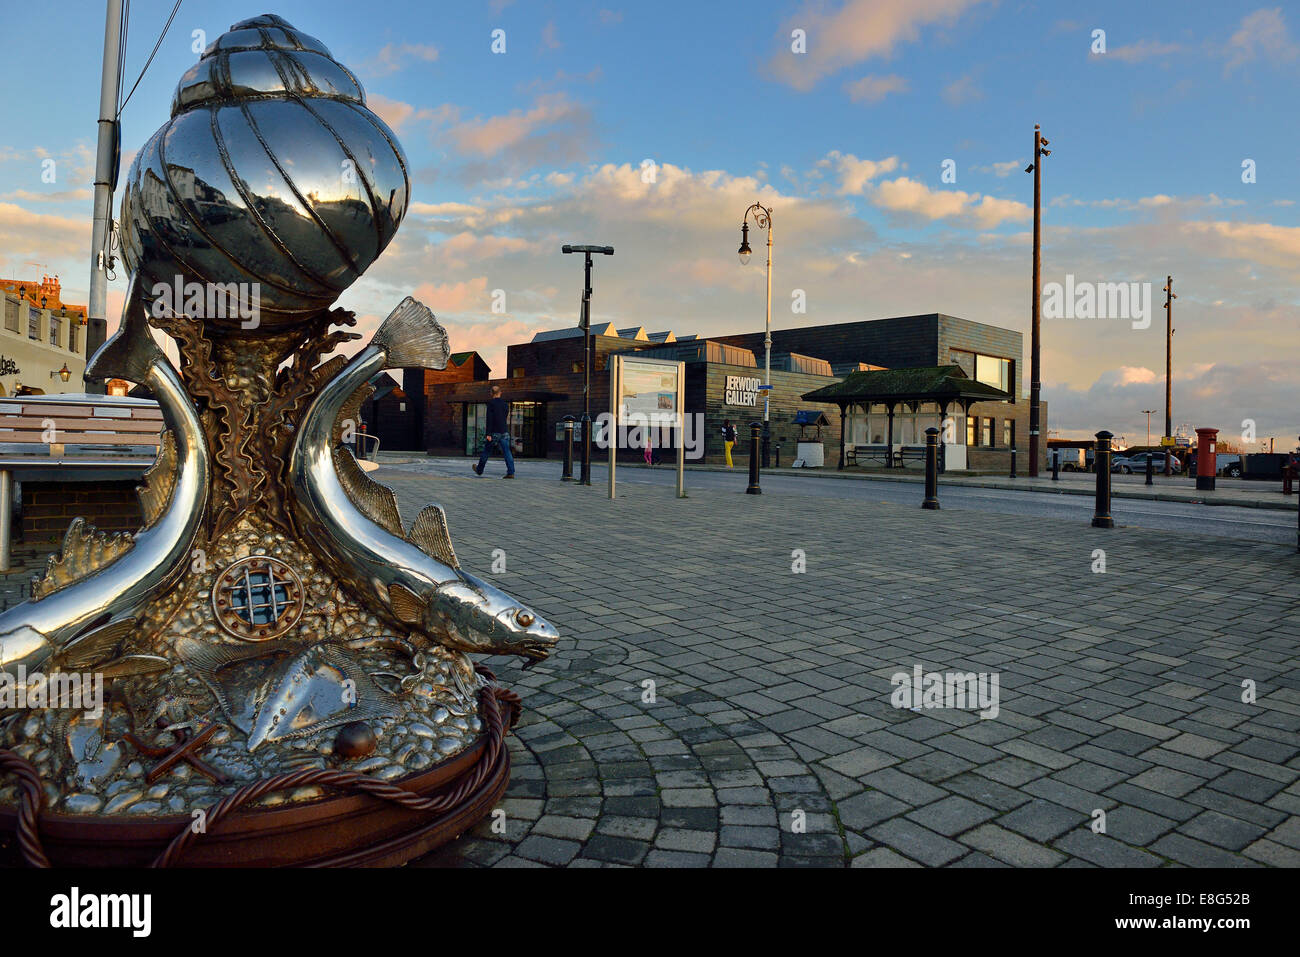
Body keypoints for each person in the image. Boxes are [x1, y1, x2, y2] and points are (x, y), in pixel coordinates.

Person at [473, 385, 515, 478]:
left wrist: (488, 433)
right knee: (507, 452)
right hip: (504, 431)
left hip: (494, 432)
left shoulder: (491, 404)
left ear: (491, 393)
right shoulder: (505, 404)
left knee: (487, 451)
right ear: (500, 392)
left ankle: (479, 470)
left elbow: (489, 419)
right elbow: (504, 417)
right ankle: (511, 472)